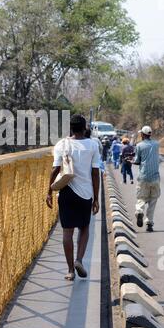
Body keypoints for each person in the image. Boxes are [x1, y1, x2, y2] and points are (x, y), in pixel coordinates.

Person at [46, 115, 100, 281]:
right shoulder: (93, 145)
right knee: (84, 228)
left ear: (70, 128)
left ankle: (70, 270)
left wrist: (49, 191)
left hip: (66, 192)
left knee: (67, 232)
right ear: (84, 128)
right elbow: (95, 172)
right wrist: (96, 198)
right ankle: (79, 260)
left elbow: (55, 170)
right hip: (85, 193)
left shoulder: (62, 144)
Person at [132, 126, 160, 232]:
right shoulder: (157, 144)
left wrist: (131, 161)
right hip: (155, 177)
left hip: (143, 177)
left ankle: (139, 211)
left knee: (141, 198)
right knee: (153, 201)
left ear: (143, 135)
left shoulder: (139, 145)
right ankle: (149, 223)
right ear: (150, 134)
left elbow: (138, 161)